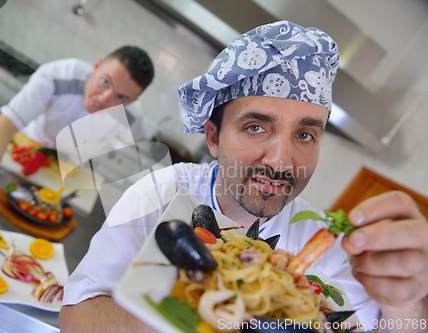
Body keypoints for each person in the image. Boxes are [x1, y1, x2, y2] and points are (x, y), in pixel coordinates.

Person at [58, 21, 428, 332]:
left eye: (304, 135)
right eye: (255, 127)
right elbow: (76, 314)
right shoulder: (158, 192)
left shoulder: (329, 246)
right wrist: (204, 314)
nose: (282, 161)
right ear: (214, 137)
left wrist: (408, 303)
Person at [0, 45, 154, 238]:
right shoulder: (57, 75)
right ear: (96, 66)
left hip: (67, 172)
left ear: (132, 101)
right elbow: (5, 126)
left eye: (120, 97)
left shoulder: (134, 119)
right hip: (25, 152)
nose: (104, 98)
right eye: (105, 82)